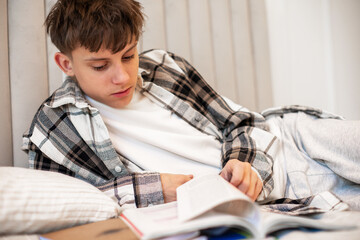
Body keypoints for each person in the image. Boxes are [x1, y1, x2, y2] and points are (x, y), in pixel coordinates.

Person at [23, 0, 360, 212]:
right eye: (100, 66)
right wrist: (156, 190)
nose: (122, 76)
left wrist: (242, 161)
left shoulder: (164, 66)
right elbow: (64, 205)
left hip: (290, 143)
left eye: (128, 55)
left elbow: (240, 121)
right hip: (273, 201)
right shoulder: (54, 129)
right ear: (65, 63)